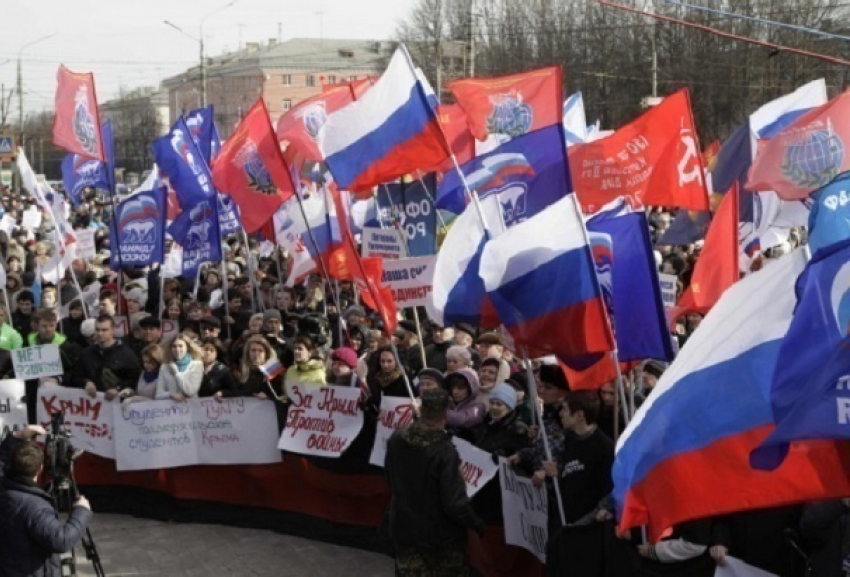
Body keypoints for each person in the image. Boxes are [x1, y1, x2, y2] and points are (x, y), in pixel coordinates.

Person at [384, 388, 486, 576]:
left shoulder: (396, 438)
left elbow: (389, 478)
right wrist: (476, 523)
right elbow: (454, 503)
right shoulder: (444, 451)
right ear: (446, 413)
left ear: (422, 410)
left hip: (403, 527)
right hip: (439, 537)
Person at [0, 427, 93, 577]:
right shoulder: (34, 506)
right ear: (40, 469)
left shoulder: (4, 486)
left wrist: (17, 436)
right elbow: (61, 540)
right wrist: (81, 511)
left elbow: (2, 461)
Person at [71, 315, 142, 400]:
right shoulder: (86, 353)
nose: (100, 333)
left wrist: (118, 388)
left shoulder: (127, 354)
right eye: (97, 330)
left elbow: (135, 379)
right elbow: (75, 377)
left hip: (118, 403)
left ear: (113, 330)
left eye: (104, 330)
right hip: (93, 403)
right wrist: (86, 382)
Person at [155, 335, 204, 401]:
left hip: (191, 407)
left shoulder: (197, 365)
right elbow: (158, 395)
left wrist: (176, 373)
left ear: (187, 348)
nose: (177, 349)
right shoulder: (164, 366)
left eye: (180, 346)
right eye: (174, 346)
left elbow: (190, 391)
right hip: (170, 408)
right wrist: (170, 394)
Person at [445, 368, 486, 441]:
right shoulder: (449, 402)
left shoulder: (478, 406)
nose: (455, 391)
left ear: (470, 388)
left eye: (460, 388)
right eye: (453, 387)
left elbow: (463, 419)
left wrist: (438, 413)